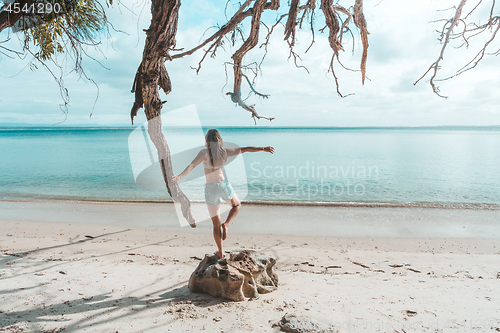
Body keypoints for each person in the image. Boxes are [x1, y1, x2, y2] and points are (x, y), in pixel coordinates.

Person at [171, 129, 275, 259]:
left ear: (207, 140)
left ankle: (220, 252)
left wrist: (179, 177)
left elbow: (192, 165)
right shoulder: (224, 153)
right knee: (236, 205)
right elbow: (245, 149)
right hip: (223, 185)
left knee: (215, 224)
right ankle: (227, 224)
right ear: (219, 140)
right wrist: (263, 148)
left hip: (210, 189)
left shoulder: (204, 153)